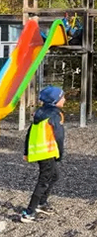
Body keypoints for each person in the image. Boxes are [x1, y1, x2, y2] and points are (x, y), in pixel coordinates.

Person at [20, 86, 66, 223]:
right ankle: (28, 212)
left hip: (40, 152)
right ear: (55, 101)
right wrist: (60, 153)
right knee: (44, 181)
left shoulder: (40, 113)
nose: (64, 99)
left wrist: (26, 152)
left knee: (55, 175)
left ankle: (41, 203)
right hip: (48, 152)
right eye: (62, 97)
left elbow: (29, 133)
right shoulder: (55, 115)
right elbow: (59, 136)